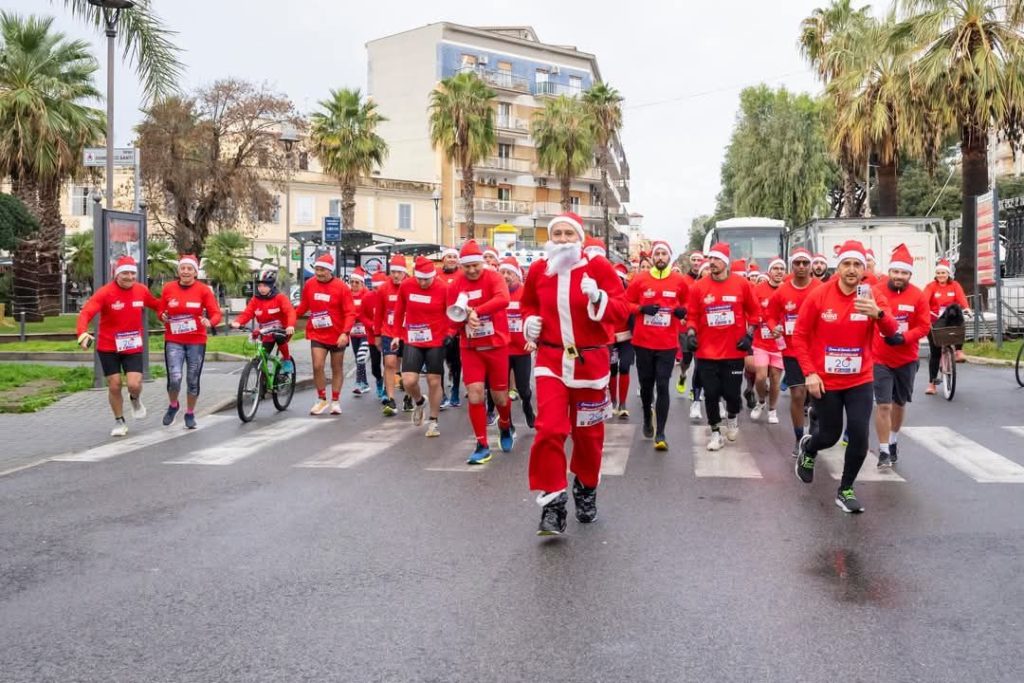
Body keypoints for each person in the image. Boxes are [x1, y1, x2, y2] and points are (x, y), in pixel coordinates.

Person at [520, 212, 630, 535]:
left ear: (580, 238)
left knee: (588, 437)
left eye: (570, 234)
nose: (564, 239)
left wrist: (599, 298)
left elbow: (623, 310)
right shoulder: (540, 269)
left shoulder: (598, 267)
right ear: (550, 239)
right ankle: (553, 504)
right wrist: (530, 324)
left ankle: (586, 488)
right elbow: (526, 305)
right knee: (549, 429)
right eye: (558, 234)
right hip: (551, 360)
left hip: (590, 365)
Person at [792, 240, 899, 513]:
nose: (852, 269)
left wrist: (879, 313)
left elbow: (891, 331)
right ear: (837, 267)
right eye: (846, 264)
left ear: (864, 269)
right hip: (825, 380)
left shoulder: (872, 296)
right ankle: (810, 448)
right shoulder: (819, 295)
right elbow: (800, 336)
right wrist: (810, 373)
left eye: (857, 265)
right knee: (829, 435)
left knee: (860, 436)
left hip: (859, 378)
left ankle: (846, 489)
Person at [684, 243, 761, 451]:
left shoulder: (741, 284)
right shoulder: (699, 287)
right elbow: (692, 316)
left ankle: (733, 417)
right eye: (710, 258)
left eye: (717, 259)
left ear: (725, 262)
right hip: (707, 352)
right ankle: (716, 433)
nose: (712, 262)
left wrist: (749, 336)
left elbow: (755, 314)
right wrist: (691, 335)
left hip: (733, 350)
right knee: (711, 393)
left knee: (732, 394)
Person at [75, 256, 161, 437]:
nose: (129, 277)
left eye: (132, 273)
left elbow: (156, 305)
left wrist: (171, 313)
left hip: (132, 345)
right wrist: (82, 332)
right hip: (108, 346)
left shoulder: (141, 290)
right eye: (125, 273)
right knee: (114, 385)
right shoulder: (105, 292)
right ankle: (119, 420)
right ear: (116, 274)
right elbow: (87, 312)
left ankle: (135, 399)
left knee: (134, 384)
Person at [446, 240, 514, 463]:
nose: (473, 270)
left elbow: (503, 299)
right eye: (467, 267)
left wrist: (476, 311)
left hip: (496, 346)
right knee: (475, 393)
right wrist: (462, 319)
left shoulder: (494, 277)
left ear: (482, 263)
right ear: (461, 267)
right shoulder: (455, 285)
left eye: (476, 265)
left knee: (500, 397)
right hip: (471, 347)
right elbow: (451, 318)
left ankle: (505, 424)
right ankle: (482, 444)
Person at [871, 244, 931, 468]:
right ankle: (884, 449)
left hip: (906, 358)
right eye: (895, 272)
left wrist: (904, 338)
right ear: (890, 271)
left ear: (909, 274)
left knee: (899, 403)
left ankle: (894, 440)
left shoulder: (918, 295)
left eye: (904, 273)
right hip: (880, 358)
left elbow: (924, 326)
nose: (899, 276)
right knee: (883, 405)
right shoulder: (876, 291)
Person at [625, 239, 689, 450]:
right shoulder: (640, 280)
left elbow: (688, 304)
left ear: (669, 257)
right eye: (657, 254)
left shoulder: (679, 281)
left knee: (663, 385)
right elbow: (626, 303)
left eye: (664, 254)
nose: (660, 257)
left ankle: (660, 432)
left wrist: (682, 311)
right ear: (652, 257)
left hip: (667, 344)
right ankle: (646, 415)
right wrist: (642, 309)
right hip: (643, 342)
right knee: (646, 385)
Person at [765, 248, 819, 456]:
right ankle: (799, 438)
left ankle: (814, 430)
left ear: (811, 265)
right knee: (798, 394)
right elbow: (769, 316)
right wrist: (774, 327)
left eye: (806, 263)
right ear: (792, 266)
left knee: (817, 397)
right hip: (792, 350)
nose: (802, 267)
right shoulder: (782, 291)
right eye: (798, 263)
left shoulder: (820, 288)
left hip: (817, 351)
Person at [159, 254, 222, 429]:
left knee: (192, 379)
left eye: (189, 269)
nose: (186, 271)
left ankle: (190, 413)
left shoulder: (203, 290)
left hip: (196, 341)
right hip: (174, 340)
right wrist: (162, 315)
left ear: (195, 272)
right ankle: (173, 405)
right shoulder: (169, 288)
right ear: (178, 271)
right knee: (175, 378)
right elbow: (161, 310)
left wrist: (210, 322)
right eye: (183, 268)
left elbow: (216, 313)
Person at [392, 257, 449, 437]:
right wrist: (395, 334)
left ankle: (433, 421)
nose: (423, 283)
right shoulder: (407, 286)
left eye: (427, 279)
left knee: (434, 381)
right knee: (408, 381)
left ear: (433, 276)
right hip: (413, 338)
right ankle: (418, 401)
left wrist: (449, 333)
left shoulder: (443, 288)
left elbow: (450, 313)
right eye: (420, 279)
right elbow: (399, 310)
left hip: (436, 340)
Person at [294, 252, 355, 415]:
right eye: (317, 270)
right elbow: (304, 306)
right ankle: (321, 399)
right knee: (317, 365)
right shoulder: (310, 284)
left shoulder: (342, 287)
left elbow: (350, 313)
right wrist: (289, 317)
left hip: (337, 334)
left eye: (322, 270)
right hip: (318, 333)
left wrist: (345, 333)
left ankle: (335, 400)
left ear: (330, 271)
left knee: (337, 367)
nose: (319, 273)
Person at [230, 268, 296, 371]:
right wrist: (238, 322)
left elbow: (290, 312)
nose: (261, 288)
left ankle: (287, 359)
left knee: (278, 337)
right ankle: (263, 381)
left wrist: (290, 325)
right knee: (262, 359)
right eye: (259, 286)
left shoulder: (280, 298)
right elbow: (247, 313)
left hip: (282, 330)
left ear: (271, 286)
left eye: (265, 286)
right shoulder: (255, 300)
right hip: (265, 331)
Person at [922, 258, 971, 393]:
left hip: (950, 320)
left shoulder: (955, 285)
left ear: (948, 274)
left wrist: (966, 308)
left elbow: (961, 297)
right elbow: (924, 299)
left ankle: (959, 351)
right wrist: (923, 309)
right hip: (934, 319)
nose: (941, 276)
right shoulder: (931, 286)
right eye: (938, 273)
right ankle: (932, 384)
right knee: (935, 352)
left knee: (960, 326)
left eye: (943, 273)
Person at [749, 256, 787, 423]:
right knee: (760, 376)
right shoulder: (758, 290)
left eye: (781, 269)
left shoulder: (787, 290)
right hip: (761, 341)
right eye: (775, 268)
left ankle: (772, 410)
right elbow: (751, 310)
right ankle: (761, 401)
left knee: (775, 379)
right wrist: (757, 320)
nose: (779, 271)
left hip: (780, 343)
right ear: (769, 271)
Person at [500, 256, 536, 428]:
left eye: (509, 273)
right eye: (503, 272)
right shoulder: (497, 292)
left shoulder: (525, 292)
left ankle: (527, 407)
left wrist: (533, 339)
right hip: (502, 349)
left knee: (524, 390)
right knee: (501, 390)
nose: (506, 276)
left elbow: (535, 316)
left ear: (517, 275)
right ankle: (508, 422)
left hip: (522, 349)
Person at [374, 254, 409, 416]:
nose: (395, 275)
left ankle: (408, 396)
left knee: (409, 368)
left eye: (399, 272)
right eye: (393, 271)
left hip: (408, 332)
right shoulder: (383, 289)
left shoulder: (412, 286)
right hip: (388, 331)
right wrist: (377, 334)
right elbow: (378, 313)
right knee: (389, 363)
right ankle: (390, 399)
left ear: (405, 272)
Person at [607, 263, 635, 419]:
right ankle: (612, 401)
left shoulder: (628, 296)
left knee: (624, 367)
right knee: (612, 369)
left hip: (626, 338)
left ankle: (623, 404)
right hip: (610, 339)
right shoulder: (605, 295)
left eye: (620, 279)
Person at [436, 247, 463, 408]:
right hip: (439, 326)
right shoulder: (436, 275)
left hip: (457, 325)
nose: (452, 259)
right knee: (437, 361)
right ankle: (441, 394)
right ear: (443, 259)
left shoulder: (463, 275)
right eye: (449, 256)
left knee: (455, 362)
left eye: (454, 256)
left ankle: (455, 390)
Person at [346, 267, 375, 395]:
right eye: (351, 282)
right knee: (358, 358)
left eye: (356, 282)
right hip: (353, 332)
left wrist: (357, 317)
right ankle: (365, 384)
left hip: (365, 331)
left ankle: (359, 383)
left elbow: (368, 312)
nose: (353, 285)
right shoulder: (347, 295)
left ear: (362, 283)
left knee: (360, 356)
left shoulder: (367, 295)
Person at [368, 271, 388, 399]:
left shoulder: (389, 296)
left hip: (387, 334)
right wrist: (371, 324)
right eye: (375, 288)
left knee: (388, 363)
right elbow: (362, 315)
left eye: (380, 288)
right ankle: (379, 379)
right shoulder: (368, 298)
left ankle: (386, 388)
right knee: (375, 365)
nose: (378, 291)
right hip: (372, 336)